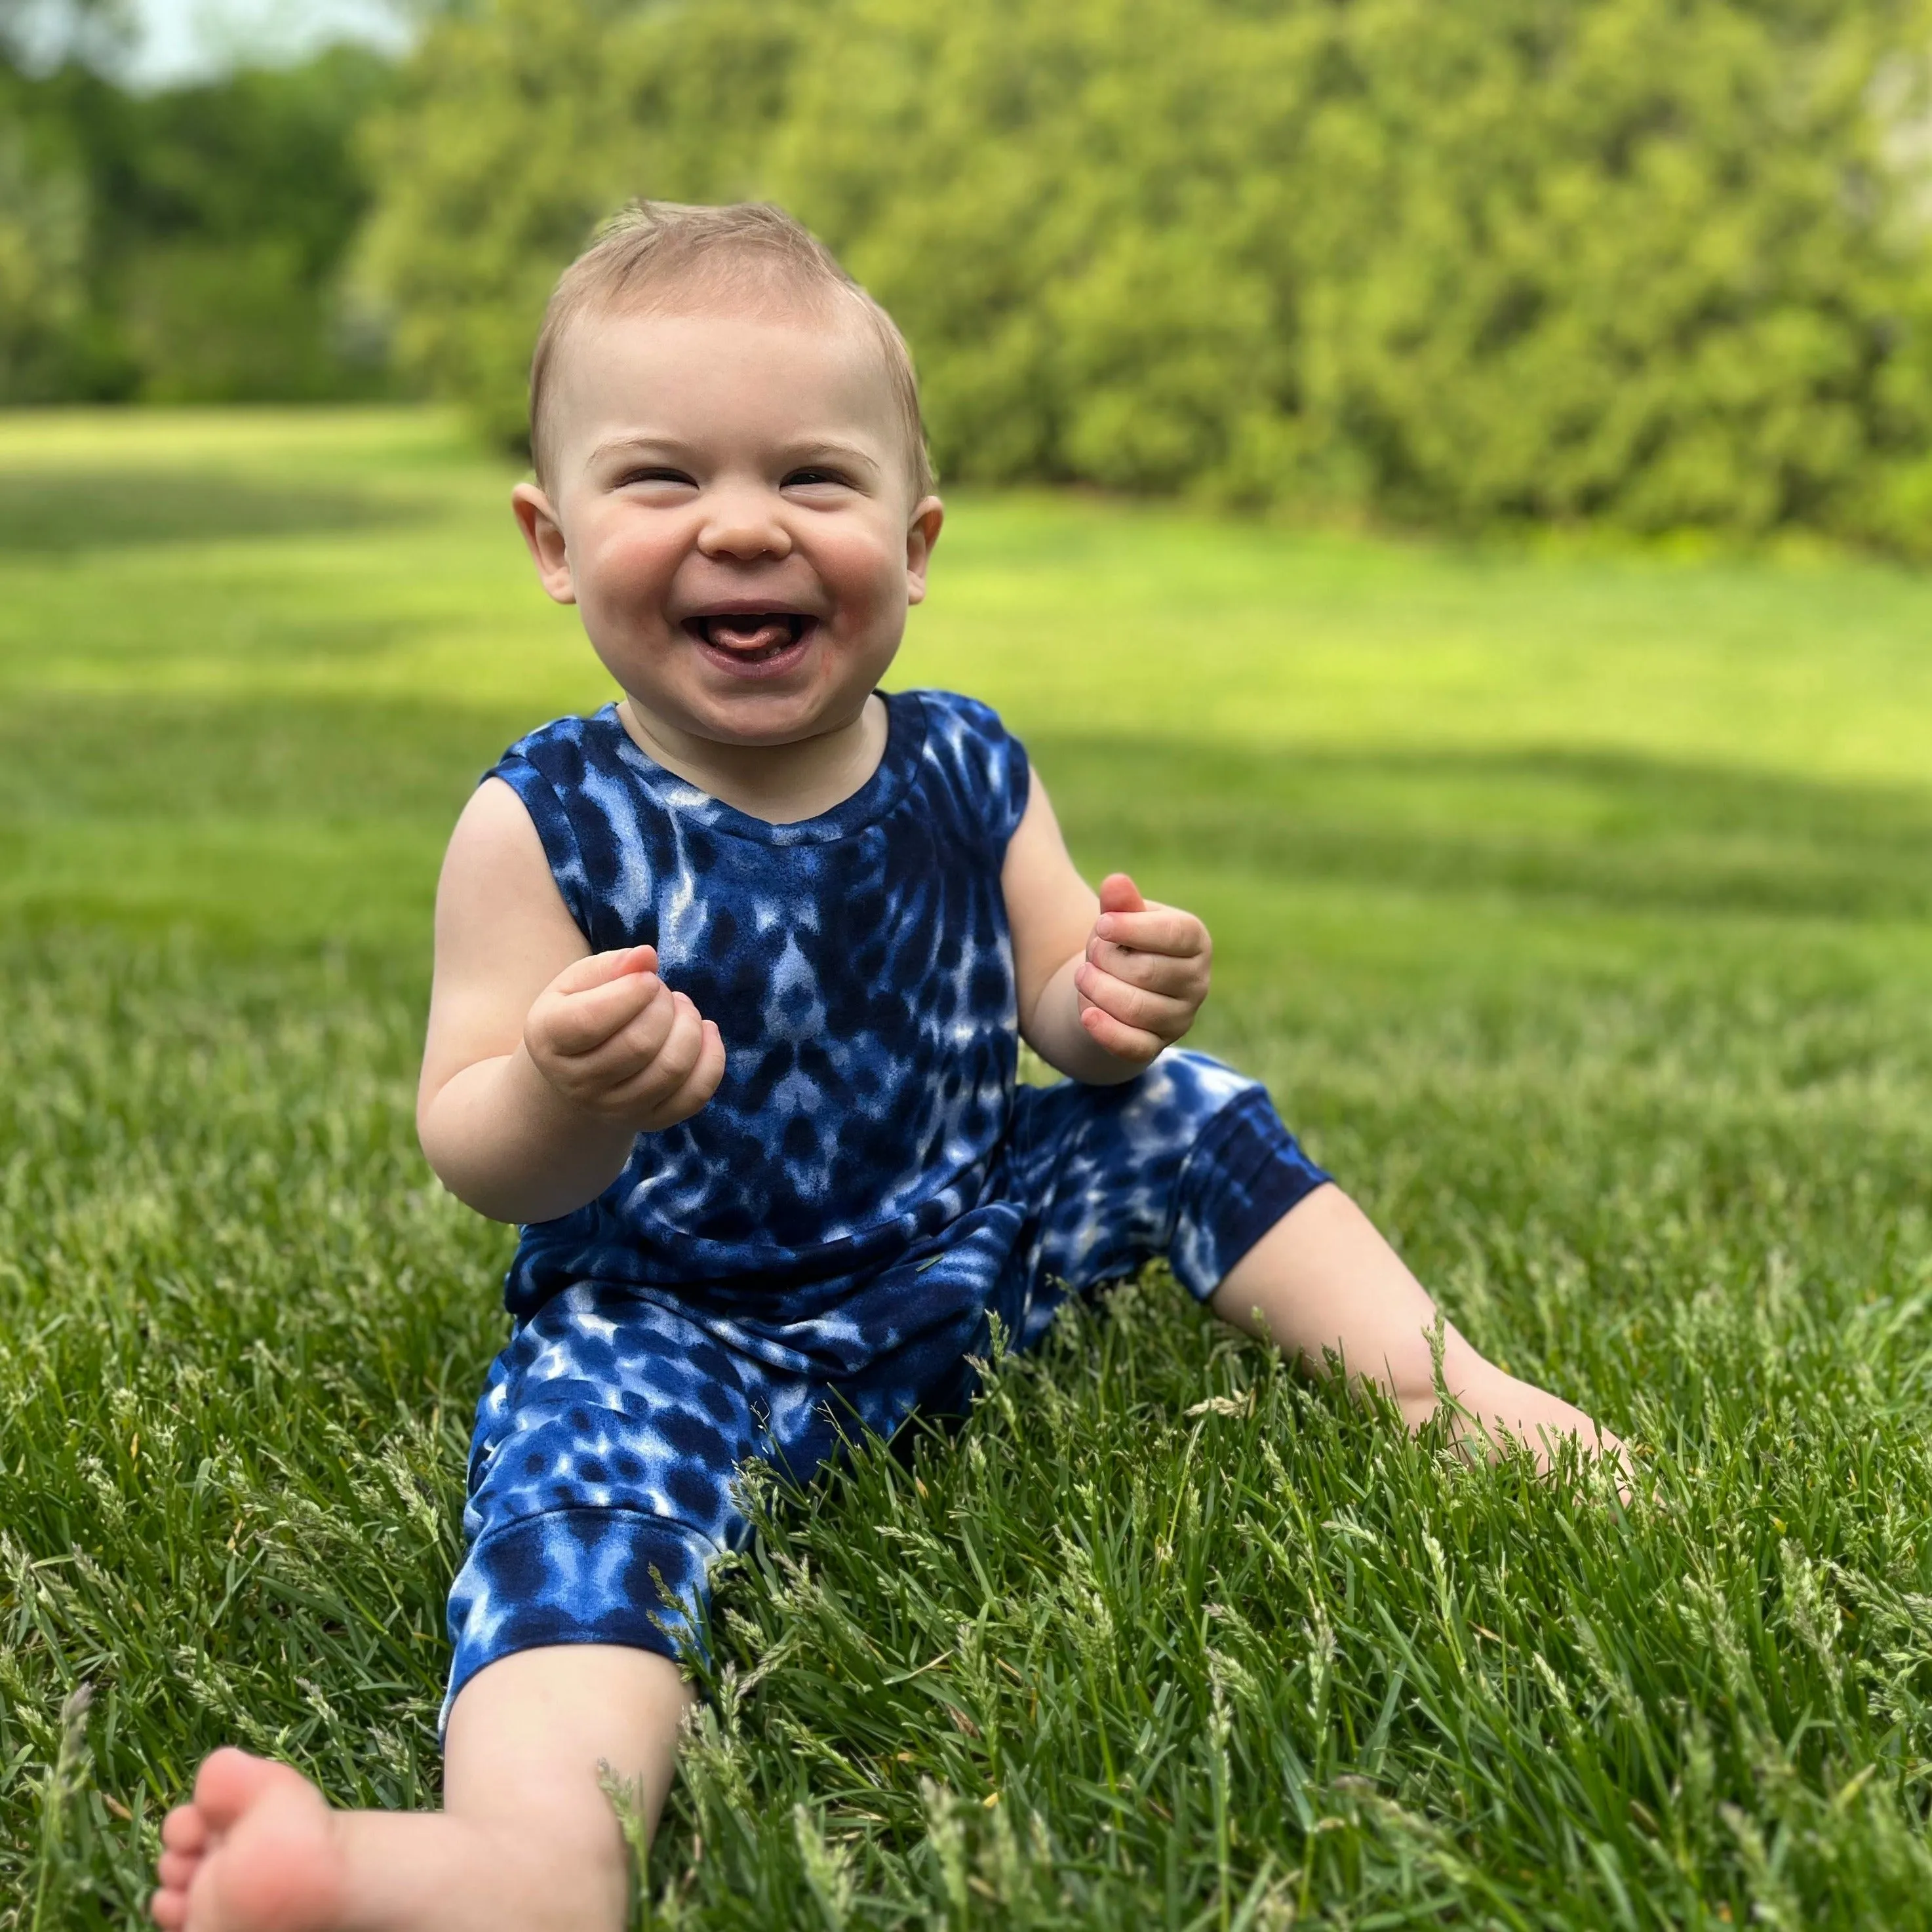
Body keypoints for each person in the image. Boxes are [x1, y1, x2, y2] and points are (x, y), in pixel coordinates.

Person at [151, 201, 1621, 1932]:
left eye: (814, 480)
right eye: (662, 479)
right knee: (583, 1519)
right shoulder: (538, 824)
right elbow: (478, 1150)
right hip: (674, 1322)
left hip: (960, 1253)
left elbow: (1059, 1007)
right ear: (552, 541)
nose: (746, 527)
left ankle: (1450, 1393)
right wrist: (562, 1089)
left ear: (915, 543)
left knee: (1183, 1115)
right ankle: (516, 1860)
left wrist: (1122, 992)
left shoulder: (967, 767)